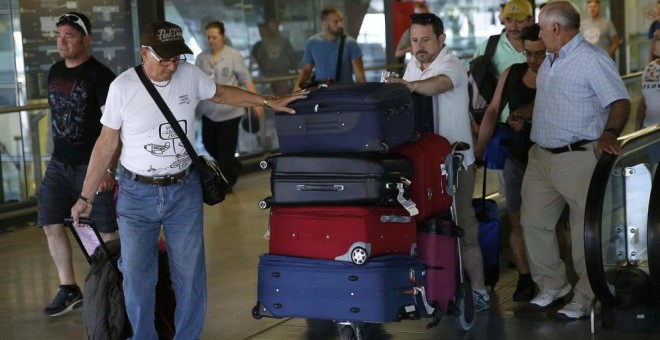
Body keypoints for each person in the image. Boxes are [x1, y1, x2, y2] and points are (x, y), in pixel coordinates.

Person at [69, 21, 305, 339]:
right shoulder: (122, 87)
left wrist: (266, 101)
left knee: (190, 275)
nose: (171, 66)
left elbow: (221, 94)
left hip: (183, 190)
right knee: (137, 277)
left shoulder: (189, 75)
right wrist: (85, 197)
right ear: (144, 54)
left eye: (177, 58)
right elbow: (106, 142)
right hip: (137, 195)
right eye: (164, 60)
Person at [520, 1, 630, 320]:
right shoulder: (551, 60)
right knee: (534, 223)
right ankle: (552, 285)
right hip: (541, 156)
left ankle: (586, 294)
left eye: (541, 27)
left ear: (556, 29)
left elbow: (620, 101)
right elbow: (551, 101)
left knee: (586, 230)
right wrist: (523, 114)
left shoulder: (592, 59)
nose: (538, 33)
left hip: (578, 156)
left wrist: (609, 133)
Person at [385, 12, 490, 312]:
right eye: (414, 40)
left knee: (464, 225)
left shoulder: (450, 64)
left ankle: (479, 290)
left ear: (441, 39)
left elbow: (438, 85)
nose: (419, 46)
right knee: (425, 225)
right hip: (424, 163)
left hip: (455, 163)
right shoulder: (411, 66)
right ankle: (435, 287)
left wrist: (407, 87)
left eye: (425, 40)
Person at [38, 11, 118, 317]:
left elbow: (113, 129)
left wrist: (109, 168)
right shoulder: (55, 70)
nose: (62, 41)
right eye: (58, 36)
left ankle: (115, 285)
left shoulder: (101, 76)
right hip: (59, 164)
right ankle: (68, 288)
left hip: (92, 165)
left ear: (86, 39)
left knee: (106, 231)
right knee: (50, 222)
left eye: (69, 35)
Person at [474, 24, 544, 302]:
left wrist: (524, 114)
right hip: (515, 157)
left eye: (539, 54)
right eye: (528, 54)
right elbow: (493, 110)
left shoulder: (556, 73)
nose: (534, 60)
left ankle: (551, 277)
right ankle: (526, 277)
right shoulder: (512, 73)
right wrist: (479, 149)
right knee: (516, 221)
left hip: (548, 156)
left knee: (549, 224)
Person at [195, 21, 264, 191]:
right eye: (208, 37)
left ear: (223, 37)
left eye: (214, 37)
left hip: (230, 111)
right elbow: (194, 83)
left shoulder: (234, 55)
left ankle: (225, 184)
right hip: (209, 111)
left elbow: (246, 79)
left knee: (226, 149)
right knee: (209, 143)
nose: (211, 40)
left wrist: (257, 103)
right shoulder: (201, 57)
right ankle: (233, 165)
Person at [294, 6, 366, 91]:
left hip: (345, 92)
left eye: (341, 21)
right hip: (321, 91)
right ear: (324, 23)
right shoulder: (312, 43)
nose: (340, 25)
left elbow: (360, 76)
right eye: (335, 22)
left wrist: (363, 94)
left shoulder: (350, 43)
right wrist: (297, 86)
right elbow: (307, 69)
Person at [251, 18, 297, 96]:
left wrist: (293, 68)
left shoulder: (284, 41)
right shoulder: (262, 43)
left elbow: (291, 56)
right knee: (271, 95)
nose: (271, 28)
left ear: (277, 27)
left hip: (282, 71)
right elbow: (257, 57)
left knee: (282, 94)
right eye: (269, 26)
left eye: (273, 26)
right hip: (269, 73)